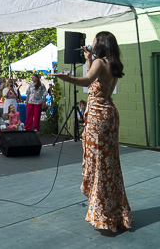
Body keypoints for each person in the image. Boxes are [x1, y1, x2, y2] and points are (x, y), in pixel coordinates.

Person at [50, 31, 133, 232]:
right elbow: (96, 84)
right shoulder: (111, 63)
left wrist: (64, 78)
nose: (92, 43)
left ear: (101, 43)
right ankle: (116, 213)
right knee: (109, 162)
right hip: (109, 113)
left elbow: (87, 82)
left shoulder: (99, 63)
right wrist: (89, 59)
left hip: (98, 117)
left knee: (99, 163)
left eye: (94, 40)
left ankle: (103, 214)